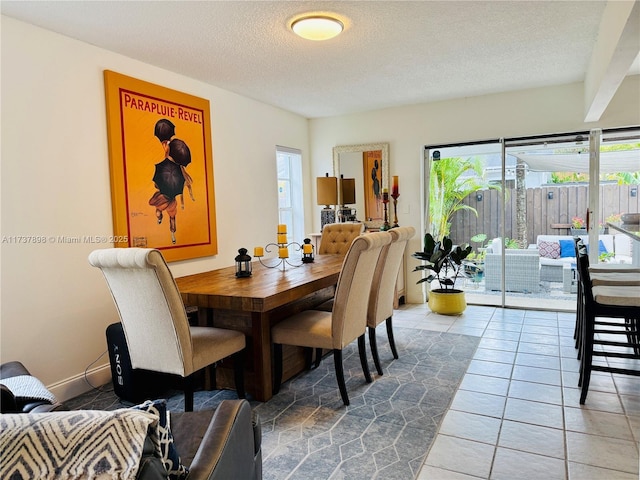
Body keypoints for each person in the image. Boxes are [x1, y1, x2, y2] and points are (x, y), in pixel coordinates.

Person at [148, 138, 194, 244]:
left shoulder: (164, 168)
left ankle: (159, 219)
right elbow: (182, 190)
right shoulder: (181, 174)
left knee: (158, 210)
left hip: (161, 198)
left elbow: (156, 185)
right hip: (172, 201)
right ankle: (173, 235)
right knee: (172, 217)